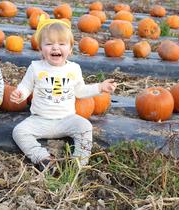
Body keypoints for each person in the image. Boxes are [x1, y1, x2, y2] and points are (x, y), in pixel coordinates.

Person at [10, 15, 117, 170]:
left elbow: (80, 91)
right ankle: (42, 158)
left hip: (67, 120)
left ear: (70, 49)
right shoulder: (35, 67)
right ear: (40, 49)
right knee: (19, 132)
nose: (55, 47)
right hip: (40, 120)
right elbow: (26, 87)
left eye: (62, 43)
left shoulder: (73, 69)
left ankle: (79, 162)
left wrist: (99, 88)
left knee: (85, 127)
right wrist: (20, 94)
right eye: (49, 44)